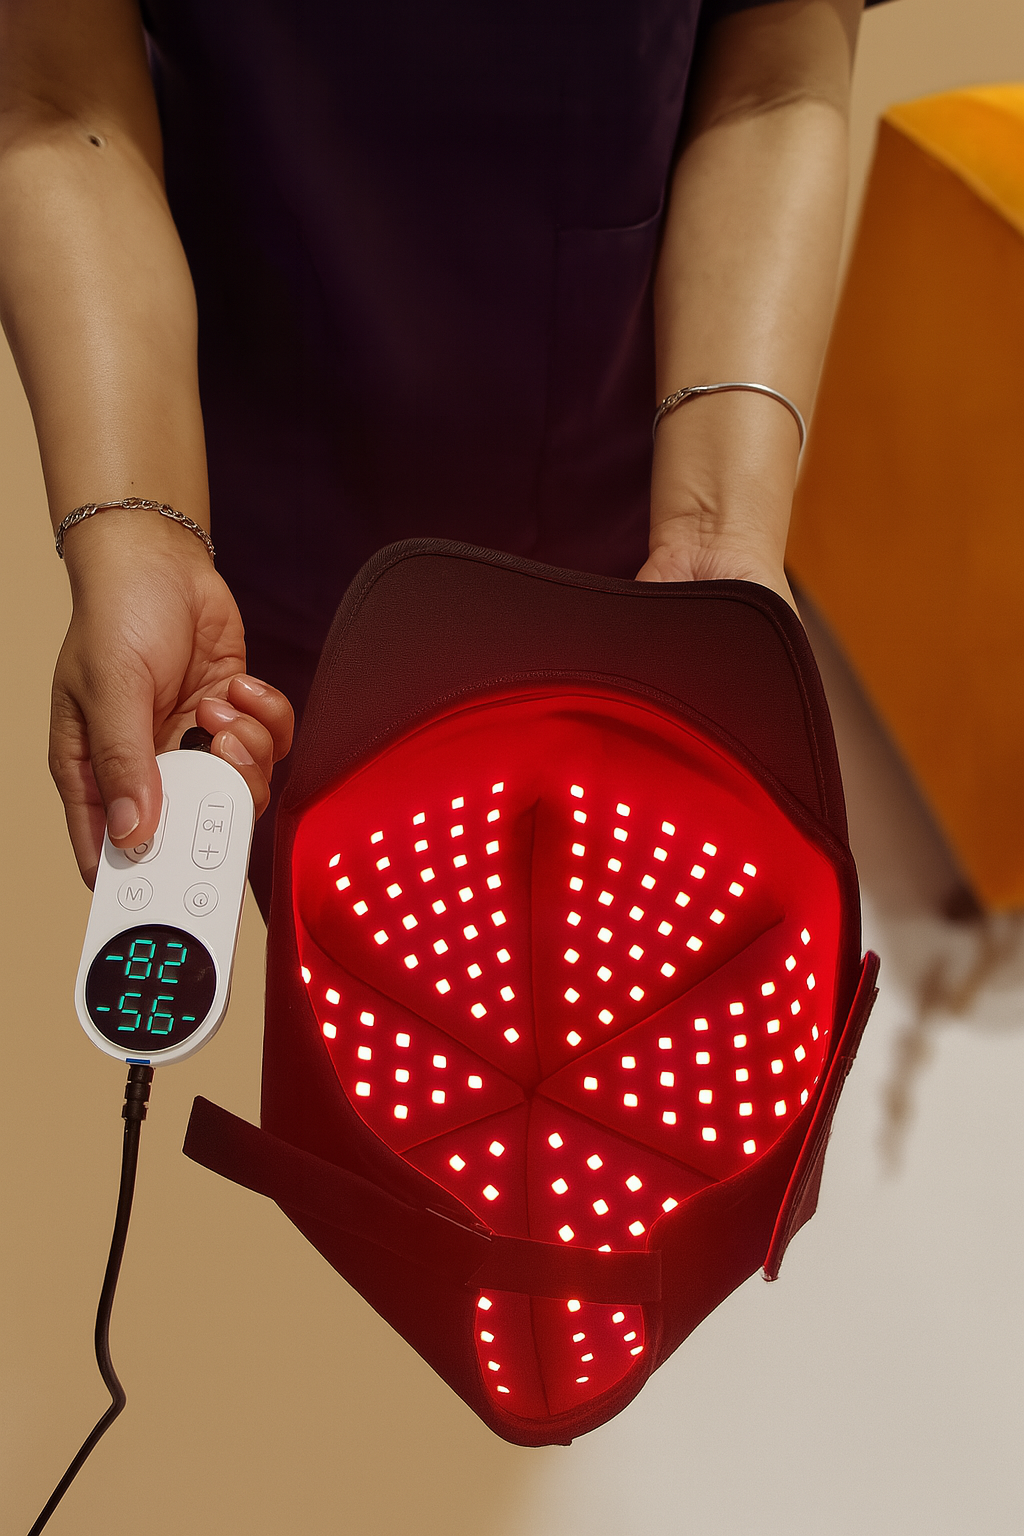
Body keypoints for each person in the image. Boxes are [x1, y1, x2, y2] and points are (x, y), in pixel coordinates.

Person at [0, 0, 876, 915]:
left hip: (648, 511)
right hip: (273, 538)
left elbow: (773, 86)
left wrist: (717, 534)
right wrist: (137, 534)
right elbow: (65, 106)